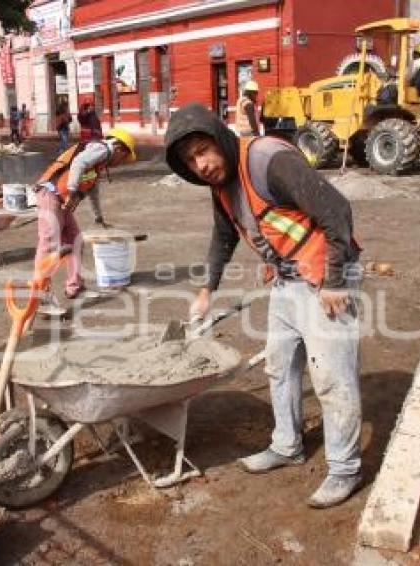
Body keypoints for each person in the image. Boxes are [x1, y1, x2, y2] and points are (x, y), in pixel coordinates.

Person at [165, 103, 363, 509]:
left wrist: (335, 280)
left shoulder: (268, 161)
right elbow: (224, 236)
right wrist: (207, 289)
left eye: (203, 150)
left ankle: (345, 469)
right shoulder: (221, 186)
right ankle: (288, 445)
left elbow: (337, 210)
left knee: (332, 379)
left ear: (220, 138)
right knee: (279, 366)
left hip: (325, 281)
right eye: (190, 160)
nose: (200, 164)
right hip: (288, 282)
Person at [33, 127, 136, 300]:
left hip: (61, 200)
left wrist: (98, 217)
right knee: (49, 244)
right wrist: (73, 190)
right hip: (51, 194)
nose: (121, 162)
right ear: (118, 148)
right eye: (124, 158)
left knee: (75, 241)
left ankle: (75, 286)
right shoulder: (102, 149)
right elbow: (79, 162)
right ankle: (40, 295)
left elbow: (92, 190)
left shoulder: (99, 162)